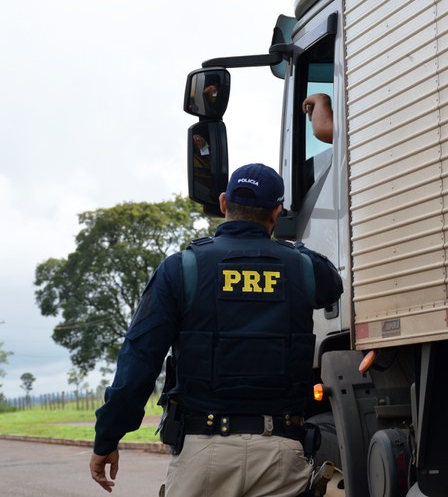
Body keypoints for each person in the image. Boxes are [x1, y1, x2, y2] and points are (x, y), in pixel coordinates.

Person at [89, 163, 343, 497]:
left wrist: (108, 436)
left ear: (223, 202)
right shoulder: (304, 267)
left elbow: (139, 361)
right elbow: (332, 286)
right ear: (277, 211)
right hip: (282, 453)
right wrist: (284, 252)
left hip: (202, 453)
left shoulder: (181, 269)